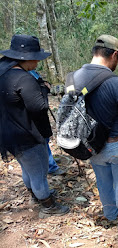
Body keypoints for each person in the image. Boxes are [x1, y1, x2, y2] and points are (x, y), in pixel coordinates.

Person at [68, 34, 118, 231]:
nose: (117, 65)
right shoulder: (117, 84)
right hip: (117, 144)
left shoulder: (73, 78)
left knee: (103, 182)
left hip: (91, 145)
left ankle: (111, 214)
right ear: (113, 55)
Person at [0, 34, 69, 217]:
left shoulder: (3, 71)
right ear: (26, 58)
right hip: (27, 134)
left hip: (8, 133)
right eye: (36, 59)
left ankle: (36, 196)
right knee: (39, 172)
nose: (37, 63)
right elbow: (40, 106)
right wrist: (44, 89)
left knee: (27, 168)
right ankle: (48, 206)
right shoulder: (23, 78)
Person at [28, 70, 65, 176]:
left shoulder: (32, 70)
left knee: (45, 139)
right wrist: (44, 88)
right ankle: (50, 166)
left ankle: (49, 160)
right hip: (34, 114)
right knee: (42, 140)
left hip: (41, 114)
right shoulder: (24, 73)